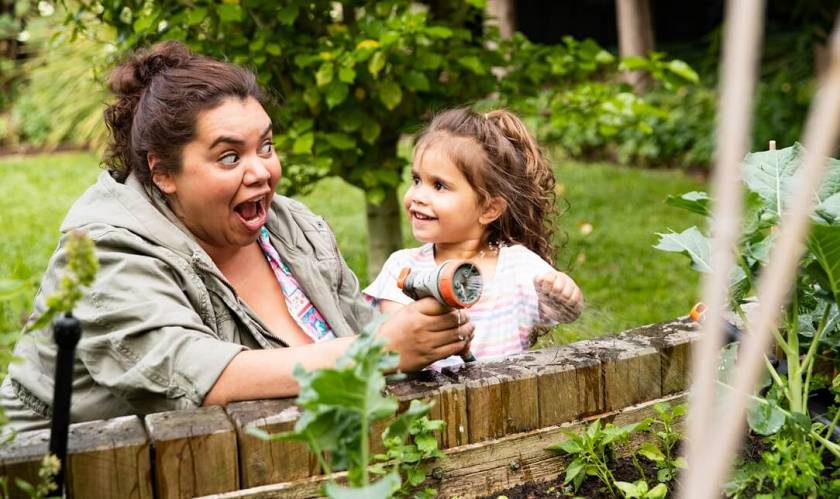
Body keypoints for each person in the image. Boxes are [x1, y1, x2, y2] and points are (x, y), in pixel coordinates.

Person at [0, 41, 474, 431]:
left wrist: (423, 336)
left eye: (265, 146)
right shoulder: (108, 249)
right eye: (229, 157)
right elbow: (199, 375)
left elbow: (356, 336)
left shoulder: (294, 229)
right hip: (73, 474)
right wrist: (377, 353)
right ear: (163, 172)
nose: (261, 172)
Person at [364, 108, 583, 362]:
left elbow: (564, 312)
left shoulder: (517, 267)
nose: (418, 196)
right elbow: (394, 346)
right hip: (421, 401)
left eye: (439, 186)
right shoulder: (403, 269)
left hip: (505, 398)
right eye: (416, 180)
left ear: (489, 209)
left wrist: (566, 295)